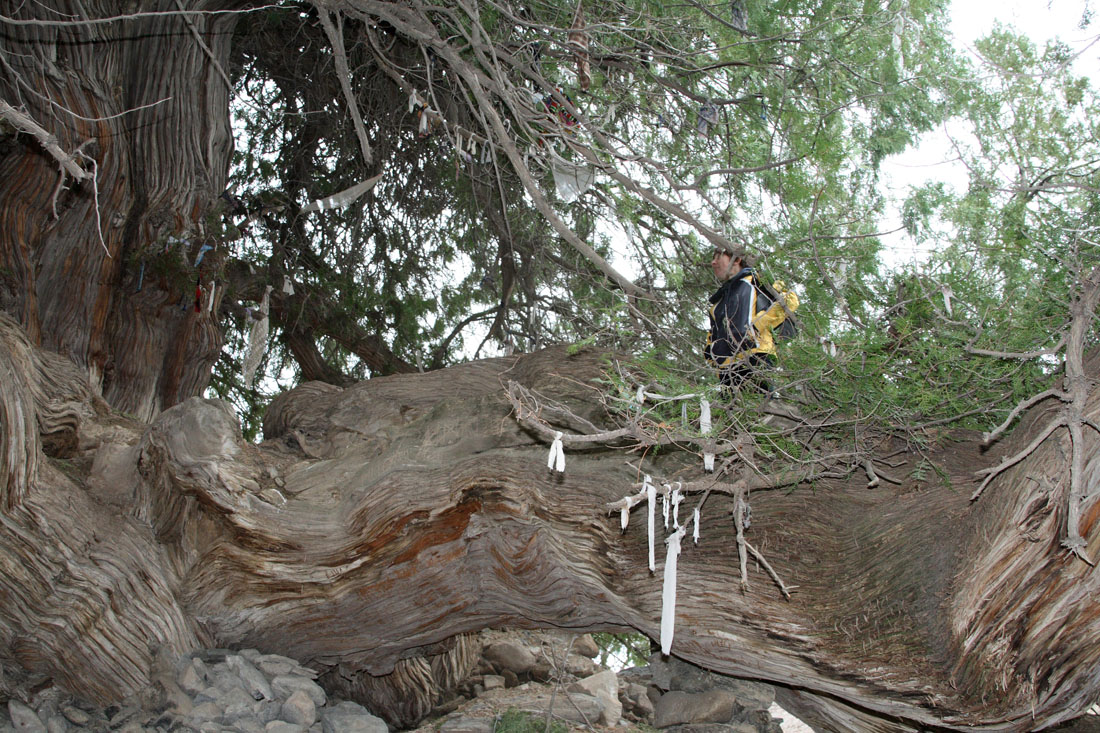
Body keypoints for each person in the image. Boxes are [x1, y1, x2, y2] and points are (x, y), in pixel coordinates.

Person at [704, 248, 798, 395]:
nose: (713, 262)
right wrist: (713, 354)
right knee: (731, 415)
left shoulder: (757, 281)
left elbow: (789, 301)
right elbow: (712, 336)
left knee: (763, 412)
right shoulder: (717, 303)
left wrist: (756, 326)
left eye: (718, 257)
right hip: (727, 370)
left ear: (737, 260)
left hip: (757, 358)